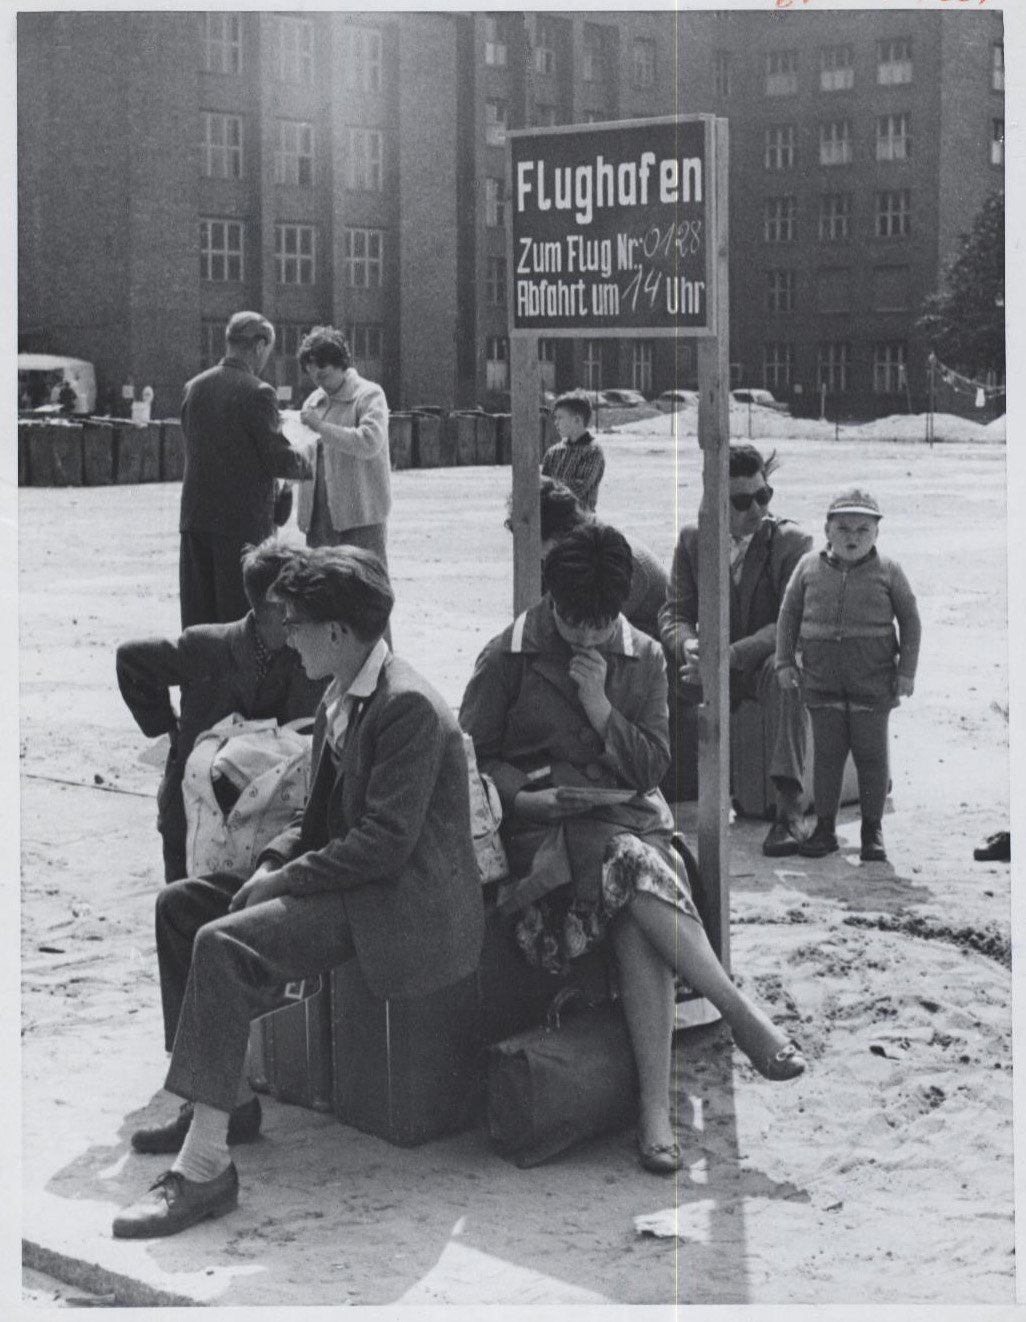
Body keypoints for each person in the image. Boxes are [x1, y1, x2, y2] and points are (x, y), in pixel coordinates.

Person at [112, 547, 484, 1239]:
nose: (285, 636)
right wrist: (274, 859)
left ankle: (205, 1171)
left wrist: (281, 878)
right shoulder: (342, 690)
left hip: (399, 908)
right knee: (181, 908)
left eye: (296, 623)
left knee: (222, 944)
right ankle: (221, 1099)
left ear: (338, 632)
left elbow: (383, 846)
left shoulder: (408, 707)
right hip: (356, 884)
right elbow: (316, 819)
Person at [460, 523, 804, 1177]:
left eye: (601, 623)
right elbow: (471, 762)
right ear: (551, 600)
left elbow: (652, 766)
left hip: (627, 827)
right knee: (633, 868)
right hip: (545, 843)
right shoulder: (506, 657)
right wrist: (529, 801)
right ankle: (735, 1017)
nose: (587, 637)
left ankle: (655, 1116)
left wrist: (598, 708)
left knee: (633, 873)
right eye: (571, 621)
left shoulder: (643, 656)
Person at [116, 538, 328, 883]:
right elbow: (131, 660)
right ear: (277, 606)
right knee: (183, 907)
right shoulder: (206, 645)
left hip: (275, 823)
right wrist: (168, 726)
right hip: (194, 815)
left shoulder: (310, 657)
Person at [658, 444, 813, 856]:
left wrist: (727, 655)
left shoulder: (791, 542)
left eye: (764, 496)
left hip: (763, 662)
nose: (757, 509)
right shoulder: (693, 540)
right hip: (709, 665)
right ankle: (651, 799)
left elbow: (788, 622)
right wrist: (689, 646)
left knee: (789, 676)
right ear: (713, 500)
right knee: (650, 672)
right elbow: (674, 613)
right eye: (742, 501)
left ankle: (789, 812)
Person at [776, 488, 922, 864]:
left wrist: (906, 671)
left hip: (873, 681)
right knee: (827, 757)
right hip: (822, 680)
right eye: (843, 528)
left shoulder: (889, 571)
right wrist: (784, 662)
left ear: (877, 534)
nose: (852, 537)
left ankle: (871, 831)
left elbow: (910, 620)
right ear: (827, 529)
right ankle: (825, 828)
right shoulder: (808, 566)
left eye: (863, 529)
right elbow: (788, 615)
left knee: (871, 756)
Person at [178, 311, 312, 630]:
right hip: (240, 524)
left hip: (195, 518)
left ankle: (197, 680)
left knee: (198, 616)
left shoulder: (193, 388)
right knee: (239, 621)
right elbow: (278, 458)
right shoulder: (258, 391)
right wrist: (312, 459)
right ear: (260, 345)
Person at [505, 476, 667, 640]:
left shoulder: (616, 563)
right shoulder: (570, 555)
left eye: (542, 552)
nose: (538, 558)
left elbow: (591, 630)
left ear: (560, 535)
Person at [296, 326, 391, 567]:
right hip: (319, 519)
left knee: (364, 589)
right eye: (312, 374)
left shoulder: (369, 395)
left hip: (360, 516)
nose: (318, 381)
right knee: (320, 591)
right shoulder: (314, 401)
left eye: (323, 373)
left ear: (341, 364)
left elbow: (369, 442)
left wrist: (320, 427)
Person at [540, 390, 605, 511]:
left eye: (560, 418)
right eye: (555, 418)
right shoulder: (553, 452)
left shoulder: (593, 451)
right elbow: (541, 485)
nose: (556, 422)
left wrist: (549, 487)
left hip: (581, 521)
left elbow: (578, 489)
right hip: (553, 518)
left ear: (577, 420)